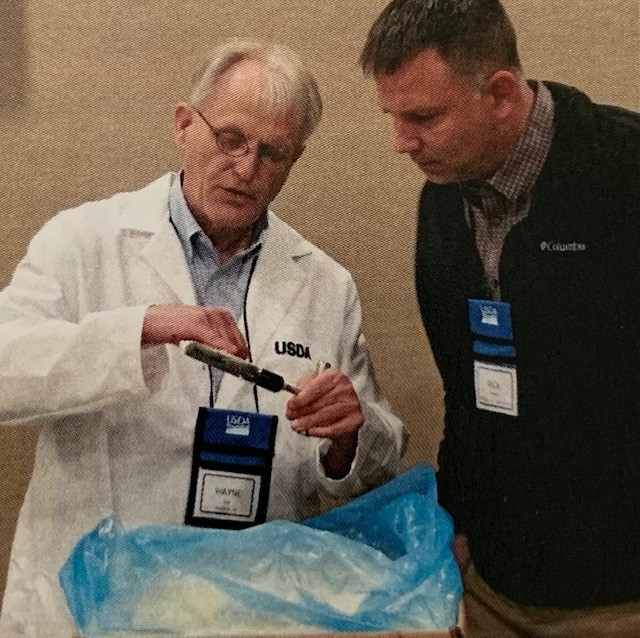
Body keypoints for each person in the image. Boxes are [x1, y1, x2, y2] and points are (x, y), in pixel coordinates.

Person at [0, 39, 407, 637]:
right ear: (184, 125)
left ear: (295, 160)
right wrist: (138, 328)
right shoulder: (85, 241)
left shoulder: (325, 283)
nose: (246, 169)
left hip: (254, 608)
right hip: (96, 604)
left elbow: (371, 465)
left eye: (273, 153)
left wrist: (348, 439)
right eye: (231, 139)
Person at [360, 1, 640, 636]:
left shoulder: (625, 175)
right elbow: (468, 388)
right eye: (393, 117)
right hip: (494, 583)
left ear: (502, 93)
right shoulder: (441, 203)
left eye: (422, 117)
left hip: (621, 597)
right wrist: (457, 524)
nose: (402, 142)